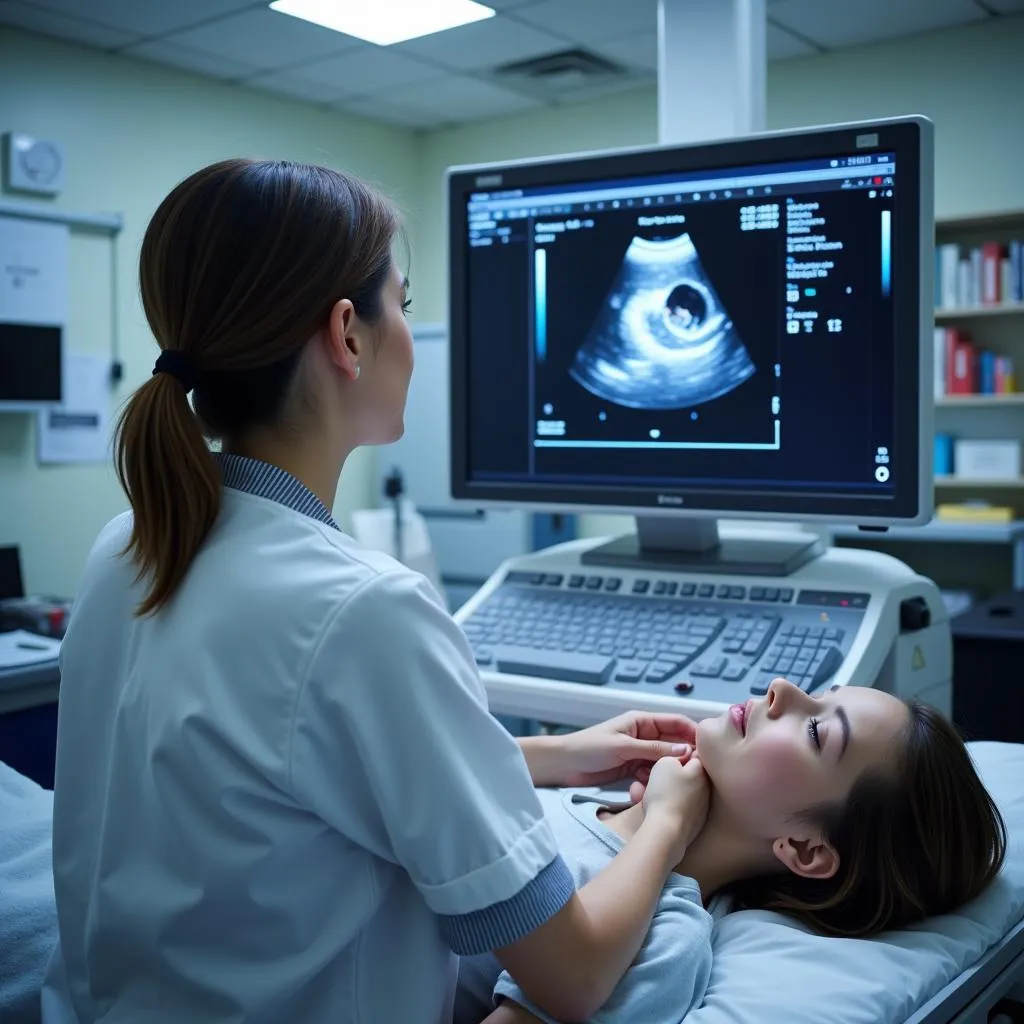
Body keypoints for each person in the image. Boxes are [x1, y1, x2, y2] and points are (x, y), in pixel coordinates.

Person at [40, 159, 711, 1024]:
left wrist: (551, 754)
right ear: (347, 334)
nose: (409, 329)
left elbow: (267, 778)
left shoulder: (125, 546)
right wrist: (669, 822)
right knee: (674, 940)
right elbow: (573, 976)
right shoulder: (364, 611)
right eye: (402, 299)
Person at [457, 678, 1007, 1024]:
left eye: (816, 731)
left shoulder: (660, 941)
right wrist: (555, 757)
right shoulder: (578, 792)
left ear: (805, 851)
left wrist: (667, 825)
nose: (781, 688)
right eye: (821, 690)